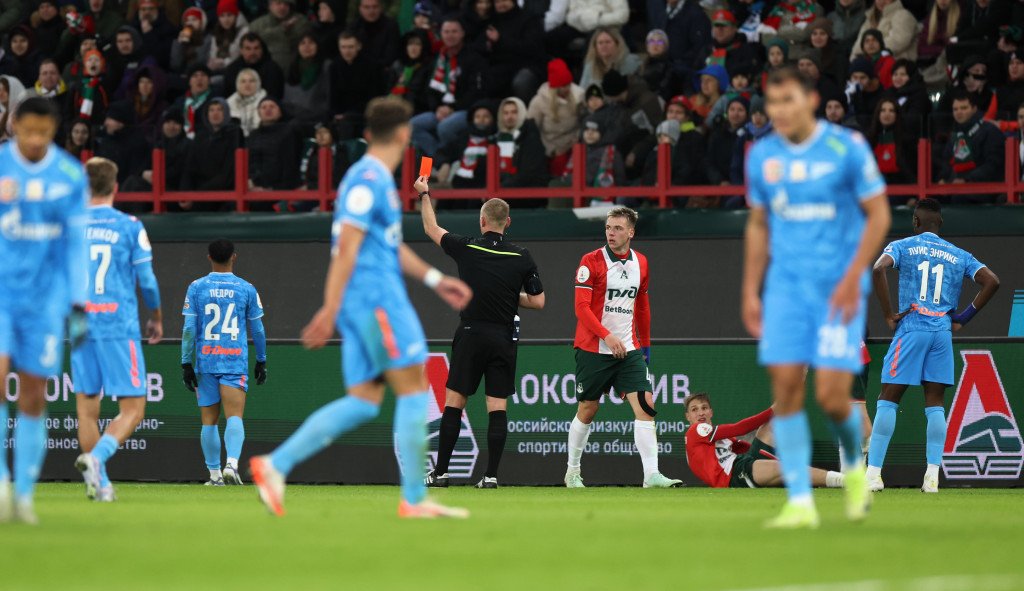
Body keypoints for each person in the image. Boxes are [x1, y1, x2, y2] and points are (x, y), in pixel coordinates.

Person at [249, 97, 473, 519]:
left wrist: (435, 279)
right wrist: (329, 308)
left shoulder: (370, 179)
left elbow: (387, 246)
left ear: (369, 133)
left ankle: (276, 465)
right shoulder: (369, 179)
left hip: (365, 302)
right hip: (376, 301)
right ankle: (414, 498)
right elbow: (347, 248)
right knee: (413, 385)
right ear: (405, 134)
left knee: (365, 400)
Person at [742, 67, 891, 528]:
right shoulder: (762, 155)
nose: (778, 110)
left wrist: (853, 275)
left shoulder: (846, 147)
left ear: (809, 100)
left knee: (831, 397)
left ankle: (855, 471)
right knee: (786, 392)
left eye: (787, 99)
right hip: (786, 291)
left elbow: (879, 214)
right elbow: (759, 224)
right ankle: (800, 503)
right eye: (772, 102)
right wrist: (750, 289)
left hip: (835, 290)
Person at [867, 199, 1000, 493]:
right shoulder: (959, 254)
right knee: (935, 402)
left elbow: (878, 270)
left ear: (915, 222)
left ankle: (873, 475)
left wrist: (888, 314)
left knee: (888, 398)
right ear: (940, 222)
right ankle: (932, 477)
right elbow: (992, 281)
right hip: (941, 332)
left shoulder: (902, 246)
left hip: (912, 328)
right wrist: (963, 317)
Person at [0, 97, 89, 524]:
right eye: (28, 130)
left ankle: (23, 495)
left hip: (46, 301)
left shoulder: (69, 175)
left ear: (54, 131)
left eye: (44, 132)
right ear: (14, 125)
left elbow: (76, 244)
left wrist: (79, 301)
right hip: (2, 294)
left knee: (33, 395)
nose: (35, 139)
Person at [420, 192, 545, 488]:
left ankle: (441, 474)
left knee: (454, 402)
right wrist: (505, 294)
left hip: (471, 333)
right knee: (497, 406)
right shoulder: (521, 256)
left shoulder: (468, 247)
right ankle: (490, 477)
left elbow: (430, 228)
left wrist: (424, 194)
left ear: (482, 221)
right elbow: (538, 301)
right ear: (508, 222)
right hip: (503, 337)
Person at [565, 207, 684, 489]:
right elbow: (581, 308)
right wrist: (607, 336)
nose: (611, 233)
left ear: (631, 232)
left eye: (618, 228)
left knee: (646, 404)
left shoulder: (641, 263)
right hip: (594, 349)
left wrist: (646, 345)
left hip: (629, 349)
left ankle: (651, 475)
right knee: (588, 408)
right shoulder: (590, 261)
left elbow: (642, 306)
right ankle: (572, 472)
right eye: (608, 227)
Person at [72, 157, 163, 503]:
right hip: (116, 323)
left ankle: (100, 484)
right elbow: (147, 281)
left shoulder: (70, 226)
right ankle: (97, 459)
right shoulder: (129, 226)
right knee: (134, 409)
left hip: (79, 323)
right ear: (115, 187)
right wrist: (156, 316)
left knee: (86, 408)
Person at [181, 239, 268, 486]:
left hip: (206, 360)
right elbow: (258, 329)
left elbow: (189, 329)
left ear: (209, 257)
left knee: (208, 421)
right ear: (234, 257)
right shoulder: (246, 288)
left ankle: (214, 475)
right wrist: (261, 359)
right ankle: (231, 464)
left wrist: (186, 362)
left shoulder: (196, 287)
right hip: (233, 360)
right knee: (234, 416)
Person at [684, 394, 845, 489]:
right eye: (694, 409)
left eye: (704, 408)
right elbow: (740, 428)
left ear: (711, 412)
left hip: (744, 463)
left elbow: (744, 448)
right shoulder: (696, 430)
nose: (701, 413)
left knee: (770, 425)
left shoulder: (717, 439)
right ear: (688, 417)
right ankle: (845, 481)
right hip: (735, 476)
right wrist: (772, 410)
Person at [410, 17, 488, 161]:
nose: (450, 35)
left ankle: (445, 164)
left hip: (464, 110)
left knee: (444, 128)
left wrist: (452, 108)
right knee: (412, 126)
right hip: (440, 110)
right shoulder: (438, 58)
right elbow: (430, 90)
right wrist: (438, 108)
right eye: (446, 32)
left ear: (462, 33)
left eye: (454, 31)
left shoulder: (474, 58)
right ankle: (439, 162)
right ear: (441, 34)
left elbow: (475, 92)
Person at [936, 91, 1005, 203]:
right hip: (957, 186)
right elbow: (946, 162)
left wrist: (967, 179)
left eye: (964, 108)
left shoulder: (990, 131)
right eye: (955, 109)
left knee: (959, 198)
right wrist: (943, 179)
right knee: (930, 199)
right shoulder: (955, 134)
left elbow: (993, 165)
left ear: (974, 109)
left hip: (985, 187)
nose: (959, 112)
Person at [473, 0, 545, 102]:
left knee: (521, 81)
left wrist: (500, 40)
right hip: (499, 66)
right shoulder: (493, 20)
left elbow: (531, 48)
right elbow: (479, 45)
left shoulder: (529, 19)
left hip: (526, 65)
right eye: (497, 2)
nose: (501, 4)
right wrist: (487, 45)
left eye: (504, 0)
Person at [527, 58, 583, 178]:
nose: (567, 89)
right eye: (563, 86)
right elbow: (531, 128)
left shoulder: (579, 96)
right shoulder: (539, 102)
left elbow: (584, 121)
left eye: (568, 84)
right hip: (551, 148)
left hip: (574, 145)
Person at [248, 0, 311, 72]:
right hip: (265, 71)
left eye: (286, 4)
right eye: (278, 3)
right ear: (270, 6)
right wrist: (281, 29)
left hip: (296, 71)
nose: (282, 7)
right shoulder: (257, 25)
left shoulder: (300, 21)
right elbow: (253, 43)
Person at [223, 33, 285, 99]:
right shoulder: (232, 70)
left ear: (262, 50)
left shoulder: (273, 70)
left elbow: (274, 96)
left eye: (256, 48)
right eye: (248, 49)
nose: (252, 52)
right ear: (241, 51)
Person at [851, 0, 917, 61]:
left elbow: (898, 41)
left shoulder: (903, 15)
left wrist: (871, 50)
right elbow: (857, 47)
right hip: (871, 65)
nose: (881, 1)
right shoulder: (870, 19)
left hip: (897, 65)